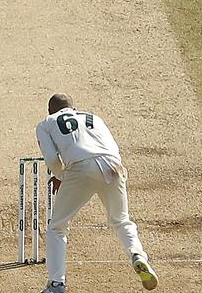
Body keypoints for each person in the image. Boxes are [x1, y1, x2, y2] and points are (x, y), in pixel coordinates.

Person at [35, 93, 158, 293]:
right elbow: (112, 147)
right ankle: (138, 256)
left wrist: (62, 176)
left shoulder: (46, 123)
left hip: (80, 167)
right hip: (113, 165)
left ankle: (57, 284)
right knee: (121, 220)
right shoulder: (93, 117)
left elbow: (50, 157)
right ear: (73, 108)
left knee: (57, 227)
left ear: (50, 111)